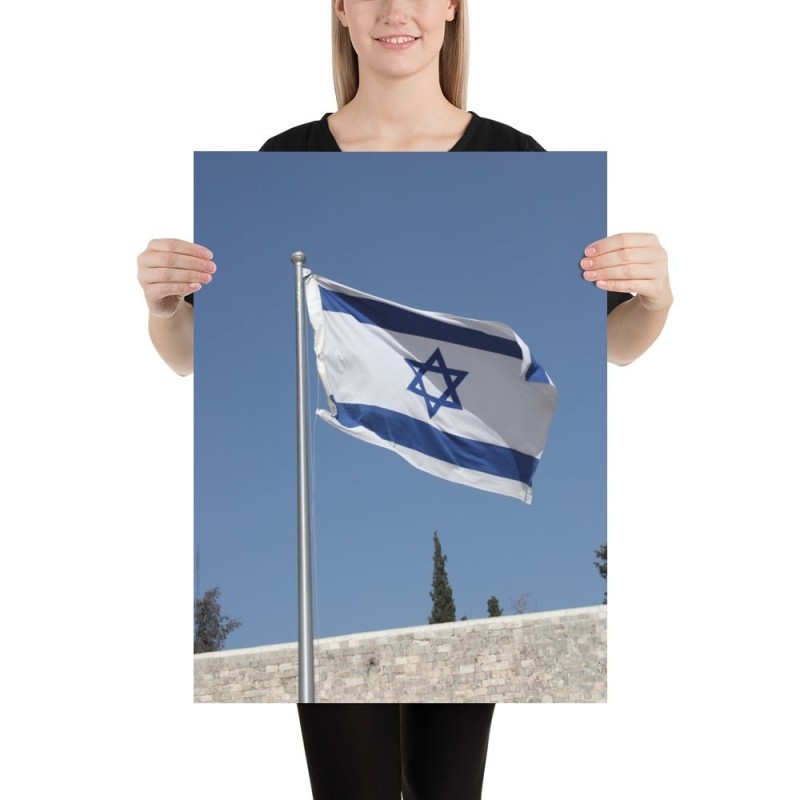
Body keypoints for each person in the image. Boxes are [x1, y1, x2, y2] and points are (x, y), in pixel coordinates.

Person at [139, 2, 672, 798]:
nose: (397, 12)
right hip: (326, 555)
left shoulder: (515, 157)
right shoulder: (280, 160)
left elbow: (609, 344)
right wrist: (164, 307)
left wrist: (656, 298)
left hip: (468, 524)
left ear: (453, 9)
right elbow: (192, 360)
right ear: (342, 10)